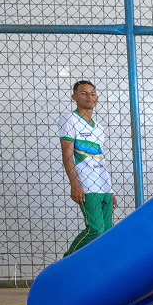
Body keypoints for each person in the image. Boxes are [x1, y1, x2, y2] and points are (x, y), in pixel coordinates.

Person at [58, 80, 114, 255]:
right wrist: (75, 184)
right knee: (95, 229)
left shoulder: (98, 127)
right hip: (87, 185)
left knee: (106, 234)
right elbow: (67, 155)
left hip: (103, 186)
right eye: (84, 93)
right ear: (74, 96)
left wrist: (109, 189)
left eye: (92, 93)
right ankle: (66, 263)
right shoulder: (69, 120)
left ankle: (96, 271)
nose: (89, 96)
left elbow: (99, 159)